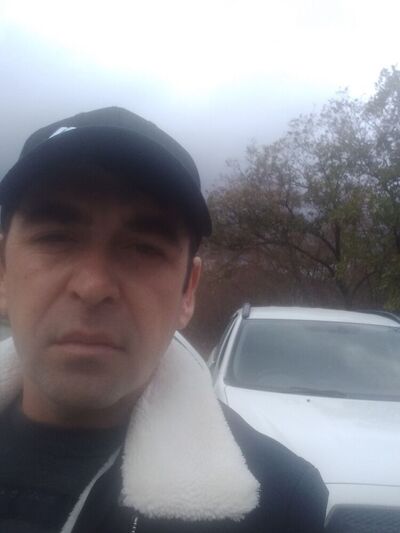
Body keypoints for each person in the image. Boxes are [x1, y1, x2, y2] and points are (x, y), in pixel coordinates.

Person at [0, 107, 328, 532]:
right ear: (3, 272)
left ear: (187, 291)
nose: (93, 286)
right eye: (56, 238)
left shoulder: (279, 503)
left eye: (144, 249)